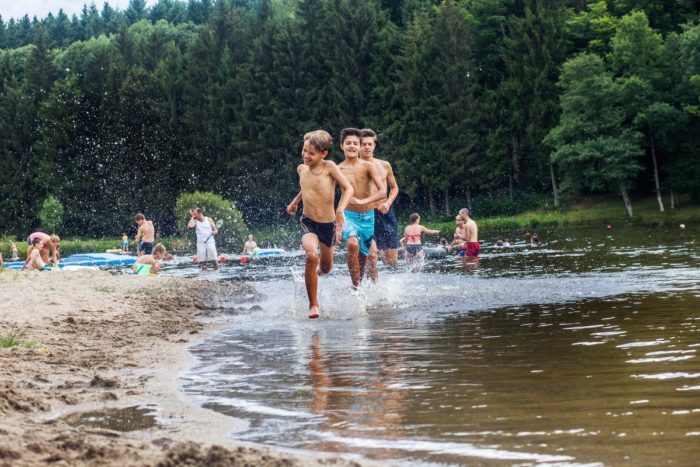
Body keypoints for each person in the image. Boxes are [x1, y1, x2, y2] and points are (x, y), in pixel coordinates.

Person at [286, 130, 354, 319]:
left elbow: (348, 188)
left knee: (326, 267)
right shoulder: (301, 169)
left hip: (328, 224)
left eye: (311, 153)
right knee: (310, 255)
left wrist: (340, 210)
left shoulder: (329, 167)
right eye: (304, 150)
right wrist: (295, 202)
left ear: (323, 153)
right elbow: (306, 188)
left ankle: (315, 275)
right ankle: (313, 304)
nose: (306, 156)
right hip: (308, 222)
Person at [337, 128, 386, 289]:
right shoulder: (337, 169)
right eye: (348, 143)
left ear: (359, 147)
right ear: (341, 146)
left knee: (363, 256)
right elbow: (325, 192)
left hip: (368, 217)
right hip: (348, 215)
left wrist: (363, 200)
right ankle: (356, 289)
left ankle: (357, 285)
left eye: (355, 143)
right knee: (352, 244)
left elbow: (382, 191)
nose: (352, 146)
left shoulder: (368, 166)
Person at [359, 129, 400, 275]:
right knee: (372, 255)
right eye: (364, 144)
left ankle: (387, 287)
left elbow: (394, 188)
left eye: (370, 144)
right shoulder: (353, 167)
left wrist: (388, 203)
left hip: (385, 213)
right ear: (358, 146)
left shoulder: (384, 165)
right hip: (364, 215)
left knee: (391, 261)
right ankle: (373, 289)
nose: (367, 147)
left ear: (374, 146)